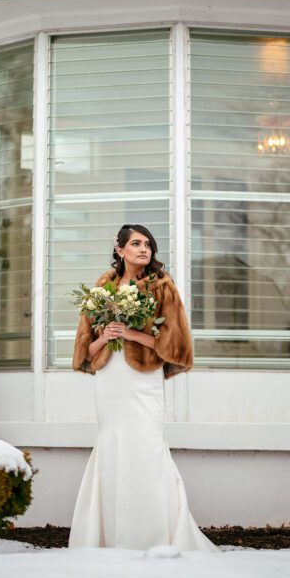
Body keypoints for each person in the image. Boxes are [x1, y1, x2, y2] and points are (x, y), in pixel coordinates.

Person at [68, 223, 219, 552]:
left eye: (148, 244)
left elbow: (176, 344)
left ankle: (151, 535)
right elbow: (86, 351)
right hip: (110, 381)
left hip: (143, 380)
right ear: (119, 250)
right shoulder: (102, 287)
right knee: (111, 446)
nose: (144, 249)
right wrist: (105, 338)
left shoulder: (162, 286)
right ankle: (106, 536)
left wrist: (132, 333)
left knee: (146, 446)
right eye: (136, 243)